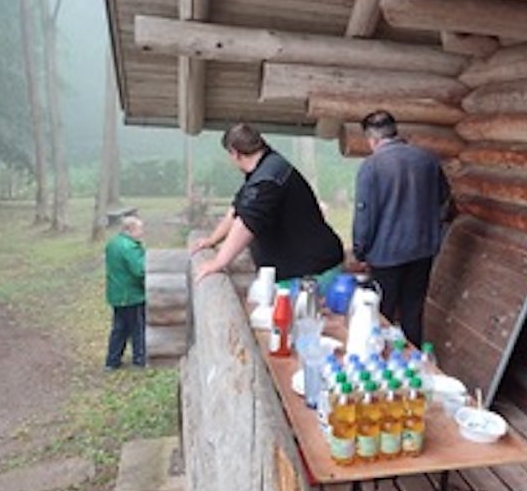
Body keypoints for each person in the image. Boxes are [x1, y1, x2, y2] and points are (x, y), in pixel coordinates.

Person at [192, 123, 343, 286]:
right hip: (301, 267)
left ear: (235, 153)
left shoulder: (268, 179)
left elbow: (246, 223)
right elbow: (237, 210)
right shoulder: (265, 168)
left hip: (309, 272)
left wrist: (218, 262)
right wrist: (212, 240)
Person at [352, 110, 451, 346]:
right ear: (394, 132)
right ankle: (414, 366)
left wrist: (360, 250)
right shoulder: (427, 160)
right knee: (412, 313)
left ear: (372, 139)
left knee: (381, 316)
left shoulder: (372, 166)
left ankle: (381, 368)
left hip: (386, 256)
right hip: (423, 251)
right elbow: (443, 198)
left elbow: (365, 214)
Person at [104, 216, 146, 370]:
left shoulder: (113, 244)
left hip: (116, 294)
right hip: (131, 295)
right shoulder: (130, 247)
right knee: (137, 328)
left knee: (119, 328)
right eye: (140, 229)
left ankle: (112, 361)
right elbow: (139, 270)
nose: (142, 232)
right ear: (130, 230)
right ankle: (139, 359)